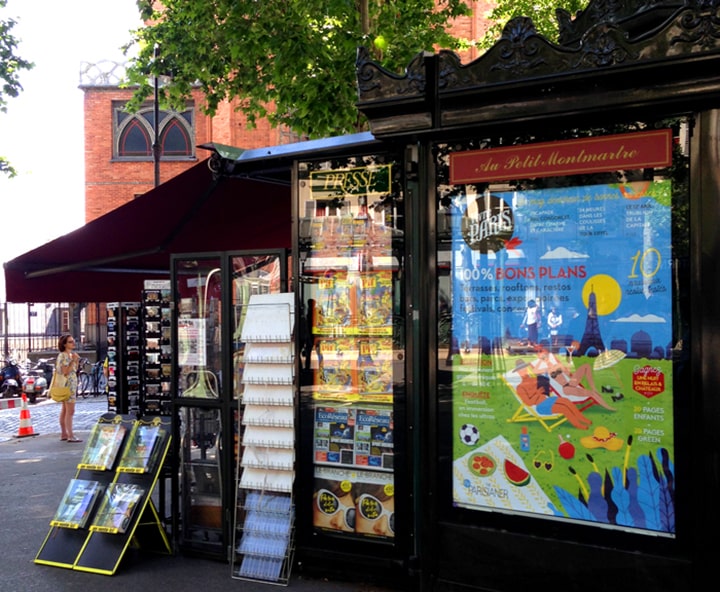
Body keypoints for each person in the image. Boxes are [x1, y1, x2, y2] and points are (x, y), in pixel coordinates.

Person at [512, 359, 592, 430]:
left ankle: (582, 418)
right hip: (541, 406)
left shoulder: (536, 379)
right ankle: (577, 424)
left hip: (547, 400)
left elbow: (546, 389)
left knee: (566, 401)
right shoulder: (520, 387)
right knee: (563, 408)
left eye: (524, 368)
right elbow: (528, 403)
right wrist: (538, 393)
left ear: (526, 369)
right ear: (518, 372)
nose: (523, 371)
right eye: (521, 370)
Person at [56, 334, 81, 442]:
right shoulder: (63, 356)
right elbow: (65, 371)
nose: (73, 343)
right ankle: (70, 435)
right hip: (68, 385)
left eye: (73, 341)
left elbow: (74, 369)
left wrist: (76, 361)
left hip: (70, 384)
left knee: (65, 410)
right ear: (64, 344)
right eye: (70, 342)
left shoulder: (69, 355)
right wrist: (73, 361)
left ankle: (64, 434)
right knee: (70, 411)